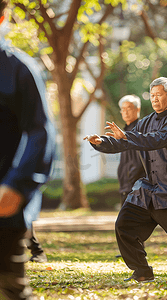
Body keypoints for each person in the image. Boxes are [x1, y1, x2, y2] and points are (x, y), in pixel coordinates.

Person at [84, 77, 167, 283]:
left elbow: (158, 140)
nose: (154, 99)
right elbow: (123, 143)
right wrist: (102, 142)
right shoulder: (144, 122)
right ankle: (142, 271)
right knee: (124, 226)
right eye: (152, 95)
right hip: (147, 191)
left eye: (159, 95)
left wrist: (127, 137)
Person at [0, 0, 55, 298]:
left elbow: (40, 132)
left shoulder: (19, 69)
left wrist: (17, 187)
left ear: (3, 17)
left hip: (4, 207)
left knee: (12, 290)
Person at [117, 95, 146, 206]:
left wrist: (134, 178)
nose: (125, 112)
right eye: (123, 109)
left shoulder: (141, 130)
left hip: (138, 186)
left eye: (128, 108)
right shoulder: (123, 131)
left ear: (137, 109)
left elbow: (142, 160)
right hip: (125, 185)